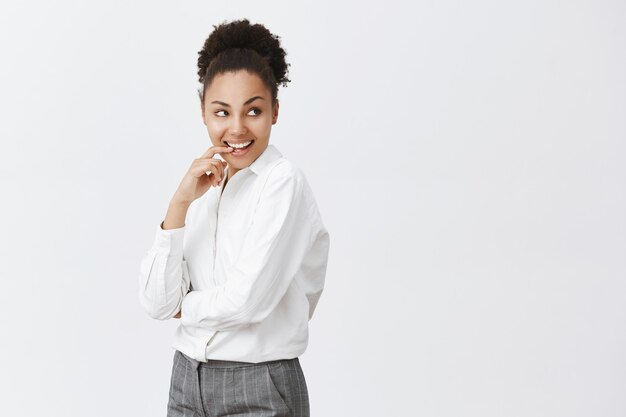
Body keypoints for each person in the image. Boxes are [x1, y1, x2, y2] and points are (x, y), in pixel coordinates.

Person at [137, 18, 330, 417]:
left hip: (258, 384)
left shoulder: (283, 184)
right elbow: (157, 303)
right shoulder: (204, 188)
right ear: (203, 112)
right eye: (222, 112)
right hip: (187, 380)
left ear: (275, 111)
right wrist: (179, 205)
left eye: (253, 111)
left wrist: (184, 307)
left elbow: (247, 302)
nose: (237, 128)